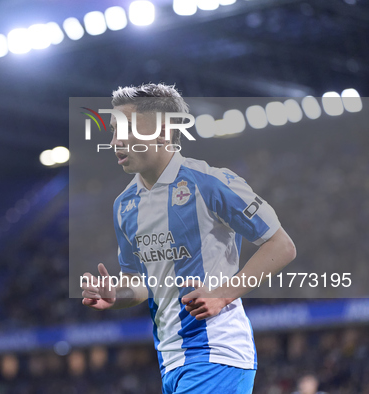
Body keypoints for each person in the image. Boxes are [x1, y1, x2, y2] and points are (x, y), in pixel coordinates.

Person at [81, 83, 297, 393]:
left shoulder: (210, 183)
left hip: (217, 353)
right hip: (170, 360)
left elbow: (281, 245)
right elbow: (140, 284)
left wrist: (223, 293)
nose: (115, 141)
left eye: (125, 130)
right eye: (113, 131)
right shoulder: (124, 205)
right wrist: (117, 295)